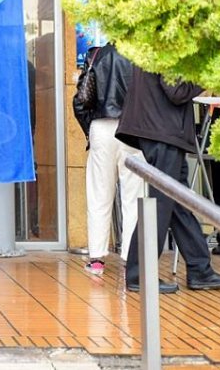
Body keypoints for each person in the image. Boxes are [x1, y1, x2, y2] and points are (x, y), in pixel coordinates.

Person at [118, 65, 220, 294]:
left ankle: (199, 268)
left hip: (160, 129)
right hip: (162, 131)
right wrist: (205, 75)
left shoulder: (158, 46)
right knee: (160, 204)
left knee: (178, 203)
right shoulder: (168, 48)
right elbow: (177, 91)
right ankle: (139, 274)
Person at [82, 43, 144, 276]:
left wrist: (89, 130)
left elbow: (80, 100)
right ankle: (130, 258)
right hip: (133, 127)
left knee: (99, 194)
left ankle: (96, 259)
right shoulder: (142, 53)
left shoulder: (97, 54)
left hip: (101, 127)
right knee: (134, 196)